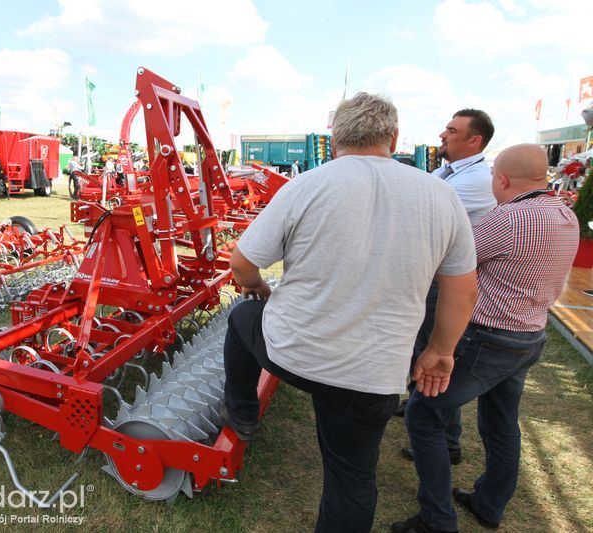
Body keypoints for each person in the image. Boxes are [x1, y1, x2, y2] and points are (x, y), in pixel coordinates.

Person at [221, 92, 478, 533]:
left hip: (294, 354)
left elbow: (243, 264)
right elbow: (461, 288)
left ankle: (242, 411)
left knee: (242, 319)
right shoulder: (439, 194)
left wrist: (260, 289)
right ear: (394, 138)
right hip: (372, 373)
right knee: (351, 478)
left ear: (335, 140)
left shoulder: (307, 184)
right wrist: (440, 350)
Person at [393, 144, 579, 533]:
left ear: (502, 179)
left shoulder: (510, 218)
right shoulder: (564, 213)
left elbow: (453, 262)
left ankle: (436, 519)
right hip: (528, 336)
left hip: (489, 338)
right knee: (501, 422)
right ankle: (489, 504)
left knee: (424, 413)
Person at [399, 109, 497, 465]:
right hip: (432, 278)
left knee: (436, 355)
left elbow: (416, 207)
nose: (443, 135)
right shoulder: (450, 171)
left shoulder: (475, 180)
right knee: (422, 349)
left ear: (475, 140)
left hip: (444, 282)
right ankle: (419, 405)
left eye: (452, 130)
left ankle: (446, 440)